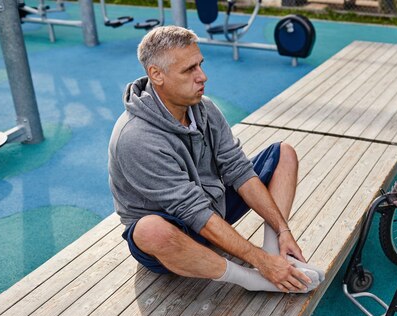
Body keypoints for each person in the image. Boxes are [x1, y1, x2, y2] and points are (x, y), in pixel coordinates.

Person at [108, 26, 324, 293]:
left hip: (210, 207)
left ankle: (276, 253)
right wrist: (258, 262)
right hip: (173, 232)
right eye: (189, 70)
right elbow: (191, 211)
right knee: (150, 231)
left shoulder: (205, 108)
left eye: (200, 65)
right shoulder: (137, 137)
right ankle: (253, 279)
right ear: (156, 75)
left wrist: (282, 231)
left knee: (284, 154)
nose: (203, 77)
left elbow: (238, 170)